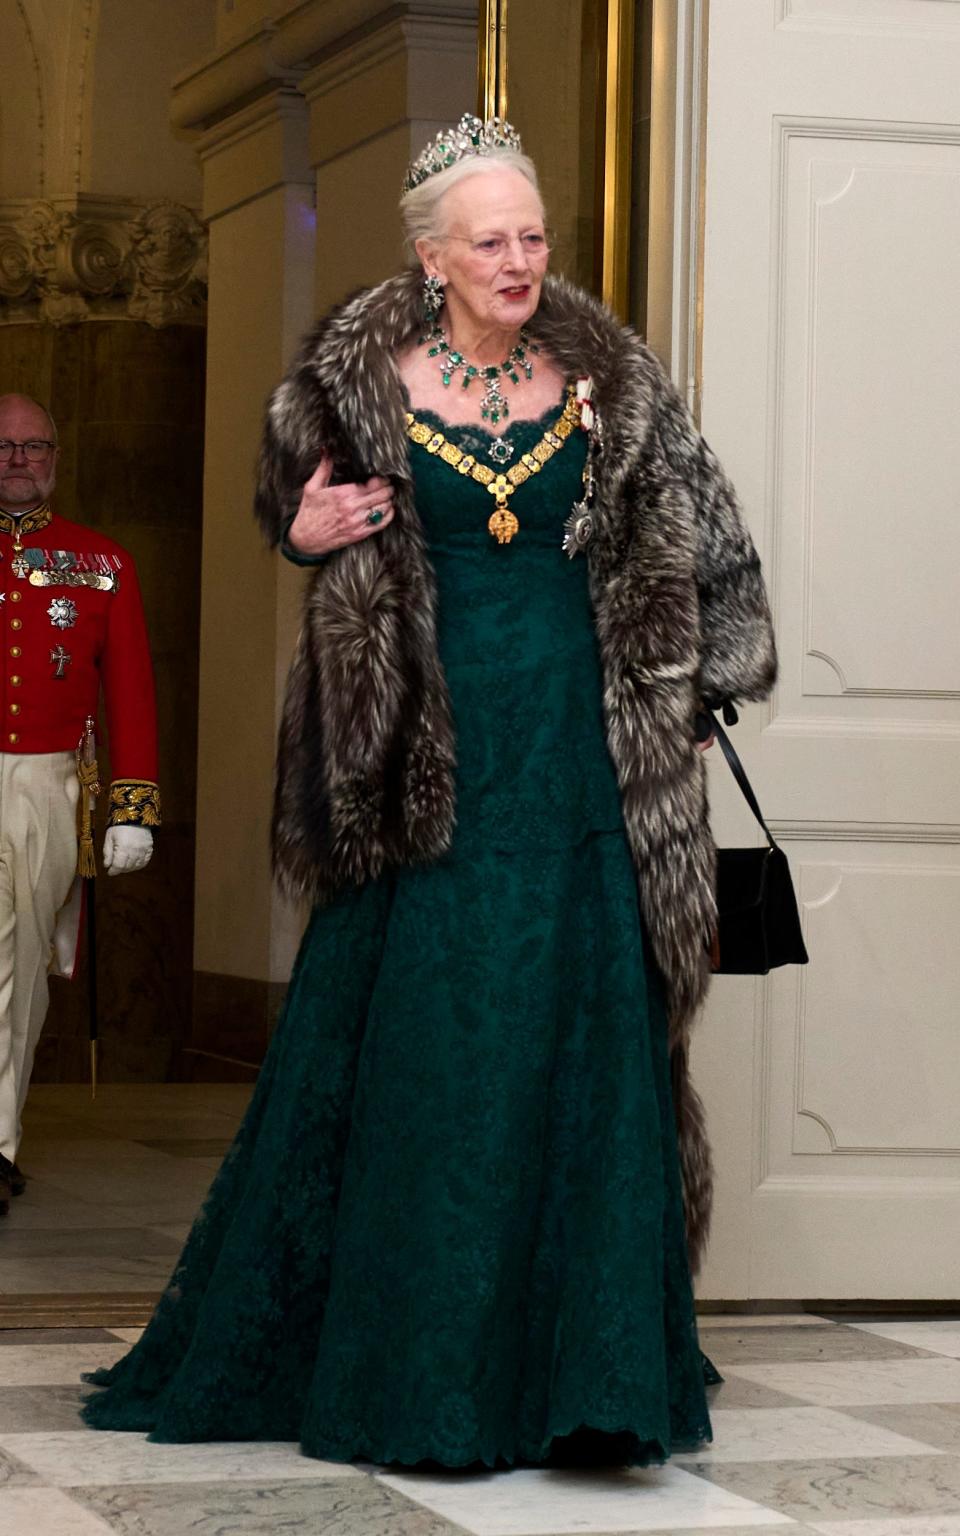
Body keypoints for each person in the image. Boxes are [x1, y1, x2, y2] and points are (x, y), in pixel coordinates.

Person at [84, 115, 775, 1467]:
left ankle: (594, 1381)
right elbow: (293, 512)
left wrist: (693, 688)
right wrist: (304, 530)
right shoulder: (360, 388)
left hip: (580, 756)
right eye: (491, 240)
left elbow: (708, 537)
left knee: (581, 1045)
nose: (521, 260)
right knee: (440, 1049)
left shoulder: (608, 380)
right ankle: (425, 1366)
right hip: (422, 763)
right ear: (430, 256)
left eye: (532, 235)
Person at [0, 394, 160, 1216]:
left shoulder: (102, 562)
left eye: (34, 447)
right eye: (4, 447)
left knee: (20, 966)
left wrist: (132, 806)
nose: (19, 459)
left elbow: (129, 689)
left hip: (45, 785)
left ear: (56, 458)